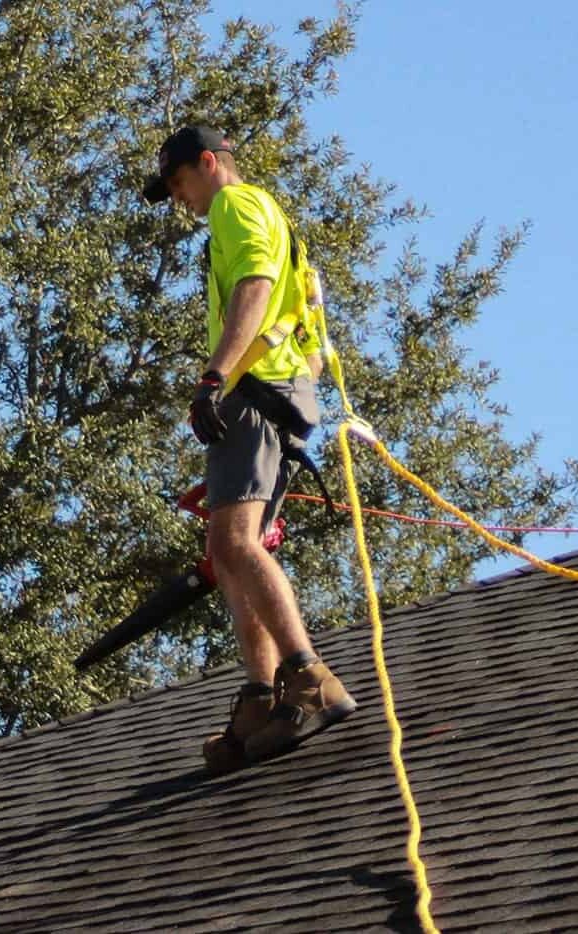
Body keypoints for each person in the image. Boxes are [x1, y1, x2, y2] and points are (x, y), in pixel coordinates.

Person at [143, 126, 356, 774]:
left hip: (254, 390)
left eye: (179, 183)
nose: (180, 200)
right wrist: (301, 388)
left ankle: (307, 674)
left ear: (208, 164)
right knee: (230, 548)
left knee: (232, 542)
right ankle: (262, 698)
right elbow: (309, 320)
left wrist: (216, 377)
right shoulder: (271, 216)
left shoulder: (235, 206)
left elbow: (255, 287)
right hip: (281, 388)